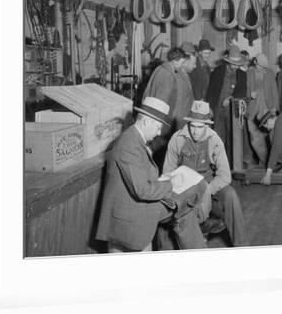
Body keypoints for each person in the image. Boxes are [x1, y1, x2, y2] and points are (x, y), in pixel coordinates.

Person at [96, 97, 207, 252]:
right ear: (147, 121)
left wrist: (164, 181)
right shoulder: (130, 145)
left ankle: (196, 251)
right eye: (158, 127)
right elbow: (142, 191)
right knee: (187, 201)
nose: (159, 132)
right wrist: (172, 183)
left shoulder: (135, 139)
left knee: (184, 209)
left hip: (135, 205)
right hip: (131, 213)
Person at [162, 101, 247, 247]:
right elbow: (167, 174)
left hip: (208, 184)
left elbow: (225, 175)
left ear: (207, 125)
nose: (195, 131)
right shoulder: (177, 139)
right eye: (193, 126)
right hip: (184, 188)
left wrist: (207, 190)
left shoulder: (214, 140)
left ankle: (242, 245)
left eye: (200, 127)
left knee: (231, 196)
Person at [142, 46, 189, 165]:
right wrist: (165, 124)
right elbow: (162, 101)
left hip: (149, 115)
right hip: (161, 121)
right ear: (175, 60)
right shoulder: (169, 75)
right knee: (161, 153)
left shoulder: (159, 69)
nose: (182, 65)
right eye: (182, 62)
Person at [206, 42, 247, 165]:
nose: (235, 66)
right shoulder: (217, 72)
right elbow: (211, 91)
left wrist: (231, 98)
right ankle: (217, 163)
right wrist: (210, 108)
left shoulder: (242, 75)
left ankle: (229, 164)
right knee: (218, 137)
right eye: (233, 64)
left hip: (232, 112)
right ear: (228, 61)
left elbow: (242, 92)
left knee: (232, 138)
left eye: (237, 64)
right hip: (218, 109)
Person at [246, 53, 279, 167]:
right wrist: (249, 95)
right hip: (253, 110)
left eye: (265, 67)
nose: (263, 69)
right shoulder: (249, 73)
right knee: (254, 138)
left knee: (269, 137)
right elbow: (243, 90)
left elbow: (274, 91)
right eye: (261, 67)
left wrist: (275, 107)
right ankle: (265, 161)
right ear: (255, 62)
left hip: (267, 110)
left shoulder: (270, 73)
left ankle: (269, 163)